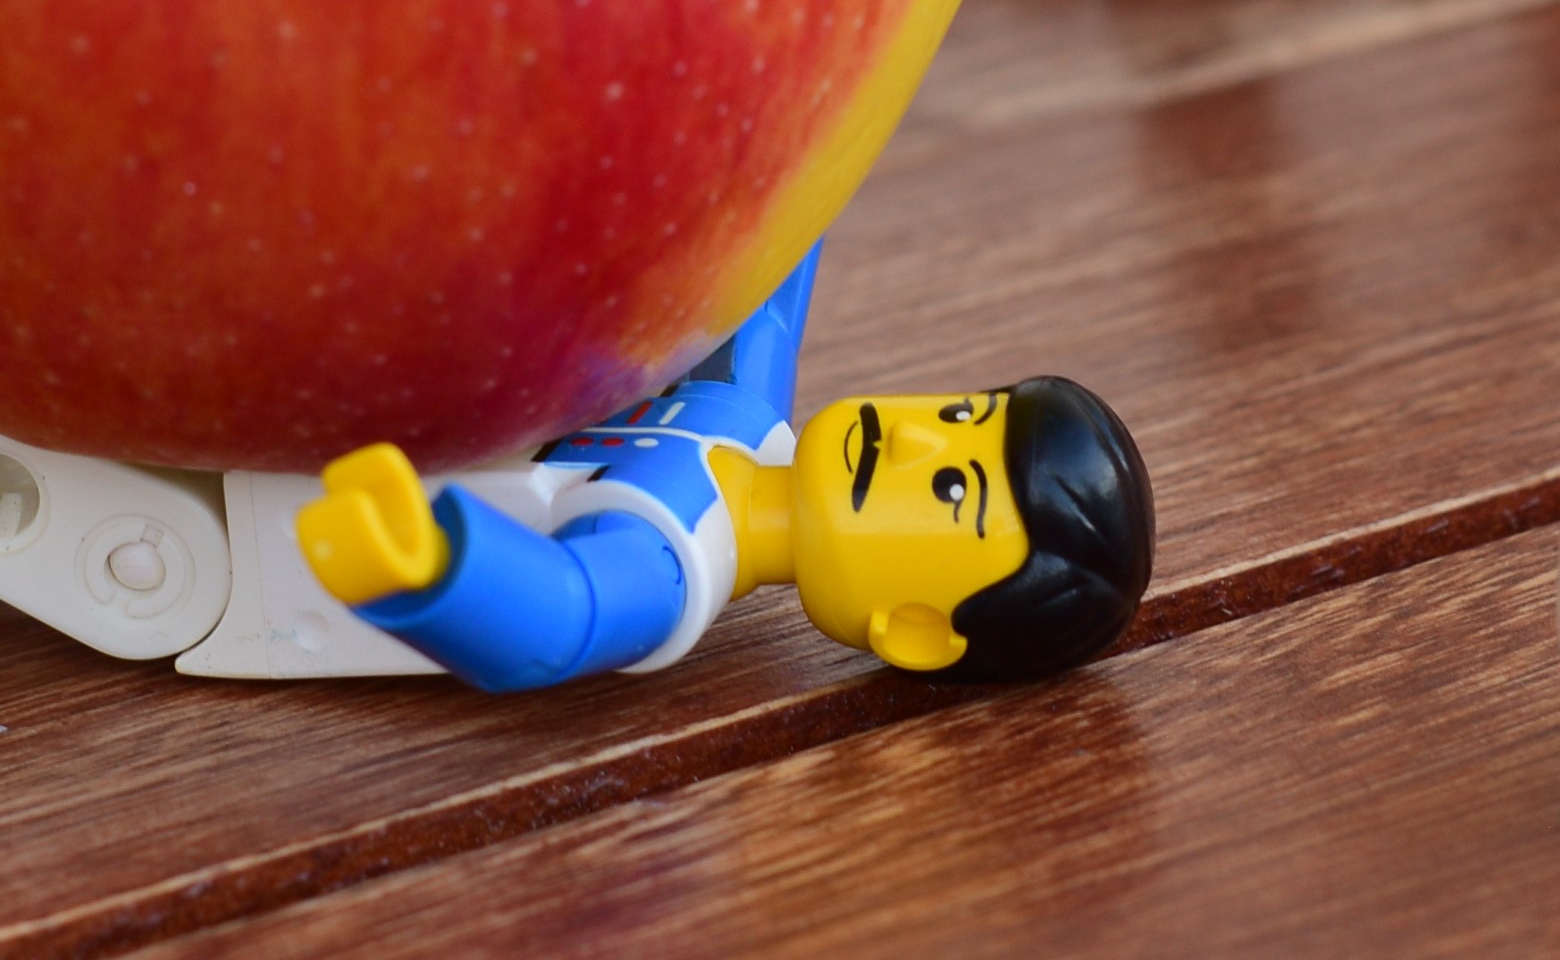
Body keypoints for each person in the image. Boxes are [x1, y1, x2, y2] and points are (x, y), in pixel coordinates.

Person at [295, 245, 1153, 690]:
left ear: (916, 629)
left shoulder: (669, 557)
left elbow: (561, 620)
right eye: (961, 417)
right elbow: (775, 257)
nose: (913, 441)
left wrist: (430, 568)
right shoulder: (738, 407)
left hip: (305, 517)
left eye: (949, 487)